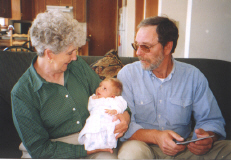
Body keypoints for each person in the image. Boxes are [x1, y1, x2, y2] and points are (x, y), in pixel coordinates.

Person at [11, 10, 130, 159]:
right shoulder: (23, 93)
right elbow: (39, 149)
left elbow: (109, 95)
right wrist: (85, 151)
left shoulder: (77, 66)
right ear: (49, 54)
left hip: (90, 137)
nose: (75, 57)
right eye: (69, 53)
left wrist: (125, 116)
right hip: (53, 150)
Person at [117, 16, 231, 159]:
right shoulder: (127, 75)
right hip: (142, 146)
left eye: (146, 46)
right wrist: (157, 137)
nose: (138, 53)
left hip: (183, 148)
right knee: (131, 154)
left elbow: (211, 120)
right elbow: (124, 126)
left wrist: (208, 138)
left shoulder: (193, 76)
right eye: (136, 45)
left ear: (168, 47)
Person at [78, 78, 127, 151]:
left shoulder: (115, 100)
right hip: (95, 119)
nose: (99, 89)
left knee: (110, 128)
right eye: (100, 86)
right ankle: (91, 144)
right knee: (91, 129)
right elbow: (90, 107)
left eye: (104, 89)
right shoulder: (93, 98)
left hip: (109, 119)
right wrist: (94, 99)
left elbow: (122, 105)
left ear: (112, 96)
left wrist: (115, 110)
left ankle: (108, 143)